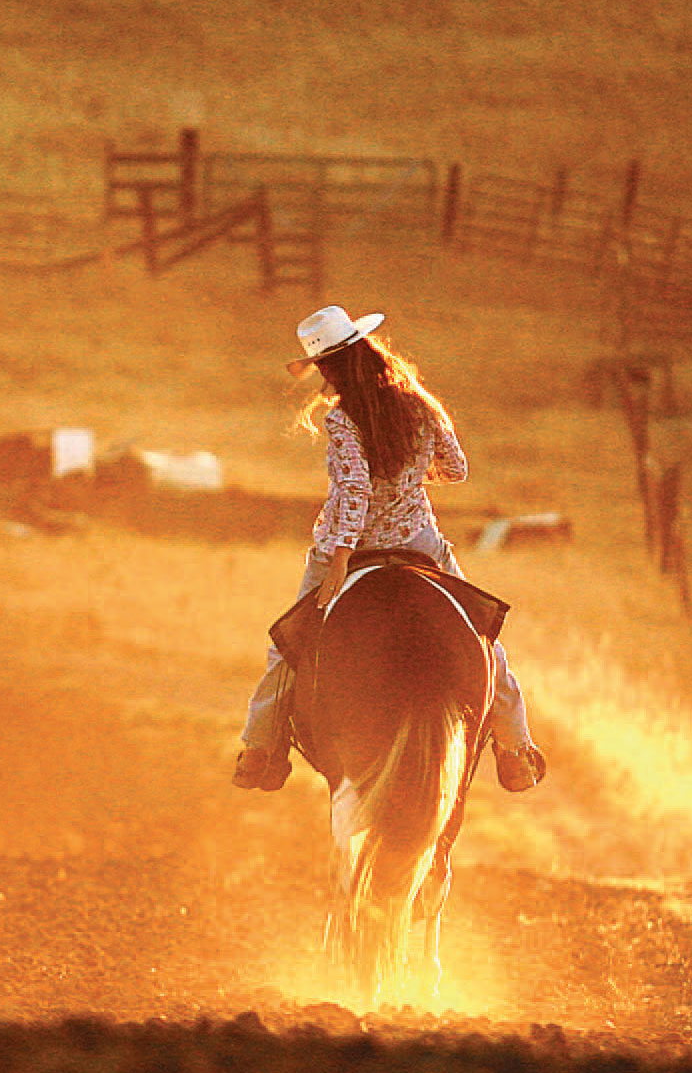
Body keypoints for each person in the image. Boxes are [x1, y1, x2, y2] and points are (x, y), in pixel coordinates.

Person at [231, 305, 546, 794]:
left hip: (349, 548)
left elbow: (354, 489)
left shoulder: (341, 420)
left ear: (329, 368)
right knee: (483, 637)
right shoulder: (419, 404)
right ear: (368, 348)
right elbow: (456, 467)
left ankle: (262, 748)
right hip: (419, 539)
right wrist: (408, 480)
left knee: (288, 646)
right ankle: (515, 748)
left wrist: (339, 558)